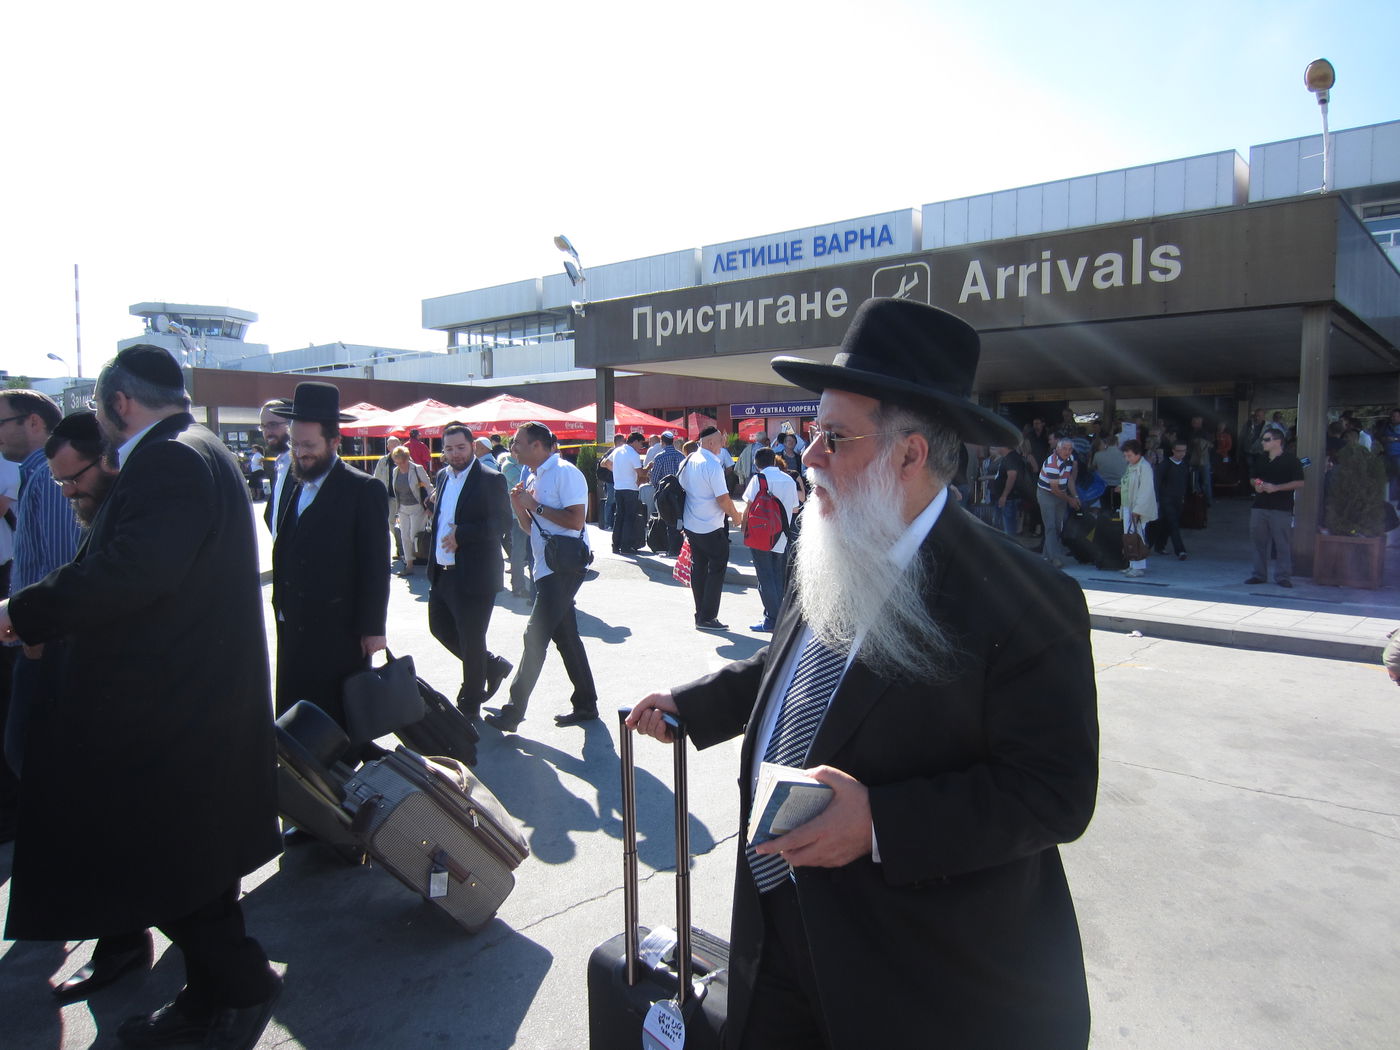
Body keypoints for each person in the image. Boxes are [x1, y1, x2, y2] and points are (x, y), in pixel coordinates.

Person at [627, 297, 1098, 1050]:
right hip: (777, 927)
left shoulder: (1026, 600)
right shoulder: (828, 535)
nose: (808, 455)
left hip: (913, 975)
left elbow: (1054, 793)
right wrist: (696, 705)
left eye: (833, 437)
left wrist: (881, 821)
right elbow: (793, 671)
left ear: (910, 455)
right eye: (812, 432)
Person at [0, 346, 283, 1048]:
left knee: (153, 860)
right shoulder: (200, 447)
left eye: (99, 410)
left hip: (167, 705)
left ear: (118, 403)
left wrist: (25, 610)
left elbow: (131, 572)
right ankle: (213, 992)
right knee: (191, 864)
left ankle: (238, 987)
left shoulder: (169, 457)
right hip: (188, 697)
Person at [269, 381, 389, 726]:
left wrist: (373, 629)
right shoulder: (293, 481)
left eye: (309, 445)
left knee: (337, 726)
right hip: (293, 627)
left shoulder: (363, 489)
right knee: (295, 722)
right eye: (295, 444)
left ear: (335, 442)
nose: (300, 453)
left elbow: (375, 566)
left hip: (340, 634)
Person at [0, 390, 80, 844]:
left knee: (28, 748)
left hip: (42, 640)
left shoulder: (51, 480)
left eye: (2, 423)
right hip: (32, 633)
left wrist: (38, 631)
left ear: (33, 423)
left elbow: (62, 563)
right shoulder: (35, 477)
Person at [485, 422, 599, 731]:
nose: (513, 448)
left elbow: (576, 522)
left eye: (518, 443)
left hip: (564, 566)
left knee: (534, 635)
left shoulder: (565, 472)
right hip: (546, 566)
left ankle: (513, 711)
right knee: (566, 637)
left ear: (537, 445)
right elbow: (529, 527)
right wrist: (519, 506)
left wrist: (535, 505)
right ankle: (587, 703)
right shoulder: (533, 476)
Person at [428, 424, 513, 721]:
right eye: (449, 449)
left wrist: (462, 534)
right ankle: (490, 666)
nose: (455, 454)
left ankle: (470, 701)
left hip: (475, 574)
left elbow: (503, 522)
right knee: (439, 628)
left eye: (460, 448)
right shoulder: (441, 477)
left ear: (472, 446)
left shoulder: (490, 479)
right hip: (442, 571)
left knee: (471, 638)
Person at [681, 425, 741, 631]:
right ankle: (708, 617)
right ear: (711, 443)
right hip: (710, 526)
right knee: (716, 569)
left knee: (699, 568)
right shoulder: (712, 465)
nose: (723, 444)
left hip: (692, 523)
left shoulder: (689, 460)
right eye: (720, 440)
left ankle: (701, 614)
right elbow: (723, 498)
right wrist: (736, 516)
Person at [741, 446, 799, 633]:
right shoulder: (789, 479)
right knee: (777, 575)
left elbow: (749, 507)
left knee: (764, 576)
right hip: (782, 533)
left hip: (761, 535)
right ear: (774, 461)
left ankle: (772, 619)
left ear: (756, 464)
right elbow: (795, 509)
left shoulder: (758, 479)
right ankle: (778, 616)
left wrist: (744, 528)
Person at [1246, 428, 1304, 588]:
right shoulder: (1261, 459)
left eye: (1266, 439)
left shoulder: (1292, 460)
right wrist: (1258, 485)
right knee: (1258, 542)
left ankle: (1283, 576)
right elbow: (1253, 478)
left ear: (1277, 441)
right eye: (1263, 439)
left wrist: (1277, 487)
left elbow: (1299, 482)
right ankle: (1258, 574)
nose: (1263, 442)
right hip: (1259, 506)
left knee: (1282, 544)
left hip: (1281, 508)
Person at [496, 437, 533, 597]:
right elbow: (522, 485)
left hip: (530, 513)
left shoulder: (525, 465)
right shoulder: (508, 466)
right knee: (518, 552)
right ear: (512, 448)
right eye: (517, 446)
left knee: (530, 553)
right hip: (516, 514)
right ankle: (517, 586)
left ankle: (533, 587)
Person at [1036, 436, 1080, 568]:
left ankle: (1046, 556)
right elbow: (1054, 489)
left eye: (1070, 449)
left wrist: (1075, 495)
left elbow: (1069, 479)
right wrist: (1070, 499)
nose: (1067, 451)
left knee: (1057, 526)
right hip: (1047, 494)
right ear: (1058, 449)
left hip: (1061, 493)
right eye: (1065, 449)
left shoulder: (1070, 459)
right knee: (1050, 526)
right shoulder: (1052, 463)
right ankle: (1054, 558)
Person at [389, 446, 433, 576]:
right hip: (402, 508)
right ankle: (409, 565)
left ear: (407, 458)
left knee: (414, 535)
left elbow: (429, 487)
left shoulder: (417, 469)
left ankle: (423, 559)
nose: (399, 464)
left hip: (417, 507)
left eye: (402, 462)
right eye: (396, 462)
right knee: (404, 536)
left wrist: (430, 506)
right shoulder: (395, 471)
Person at [1119, 439, 1157, 578]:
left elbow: (1145, 490)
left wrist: (1138, 510)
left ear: (1137, 454)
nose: (1127, 458)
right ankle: (1132, 564)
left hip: (1137, 508)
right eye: (1126, 456)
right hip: (1128, 505)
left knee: (1137, 536)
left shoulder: (1144, 467)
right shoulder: (1131, 466)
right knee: (1129, 536)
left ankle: (1138, 566)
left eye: (1129, 455)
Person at [605, 432, 648, 554]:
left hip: (618, 487)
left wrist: (618, 471)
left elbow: (606, 463)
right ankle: (626, 546)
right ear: (635, 441)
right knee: (629, 517)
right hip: (630, 488)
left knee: (619, 516)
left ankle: (615, 545)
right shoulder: (633, 454)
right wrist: (649, 467)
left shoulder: (618, 450)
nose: (641, 446)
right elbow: (641, 473)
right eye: (641, 443)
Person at [260, 397, 294, 537]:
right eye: (263, 426)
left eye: (273, 424)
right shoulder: (281, 464)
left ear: (291, 424)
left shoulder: (306, 465)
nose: (267, 431)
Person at [648, 430, 686, 556]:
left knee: (668, 520)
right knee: (680, 520)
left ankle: (672, 549)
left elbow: (654, 478)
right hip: (681, 493)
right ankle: (680, 548)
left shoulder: (659, 457)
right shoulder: (681, 456)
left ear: (662, 442)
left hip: (665, 494)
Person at [372, 435, 406, 564]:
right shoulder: (383, 461)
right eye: (391, 444)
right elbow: (376, 478)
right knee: (391, 523)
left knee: (405, 524)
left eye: (396, 443)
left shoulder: (407, 458)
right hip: (390, 497)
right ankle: (400, 548)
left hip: (404, 496)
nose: (394, 447)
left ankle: (406, 551)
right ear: (388, 447)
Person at [1153, 441, 1190, 560]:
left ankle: (1158, 545)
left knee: (1166, 523)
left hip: (1178, 498)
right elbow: (1157, 482)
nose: (1181, 454)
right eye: (1179, 451)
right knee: (1173, 524)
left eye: (1184, 451)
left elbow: (1185, 482)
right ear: (1173, 451)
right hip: (1166, 498)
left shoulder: (1184, 464)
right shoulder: (1165, 464)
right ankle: (1180, 551)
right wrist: (1157, 499)